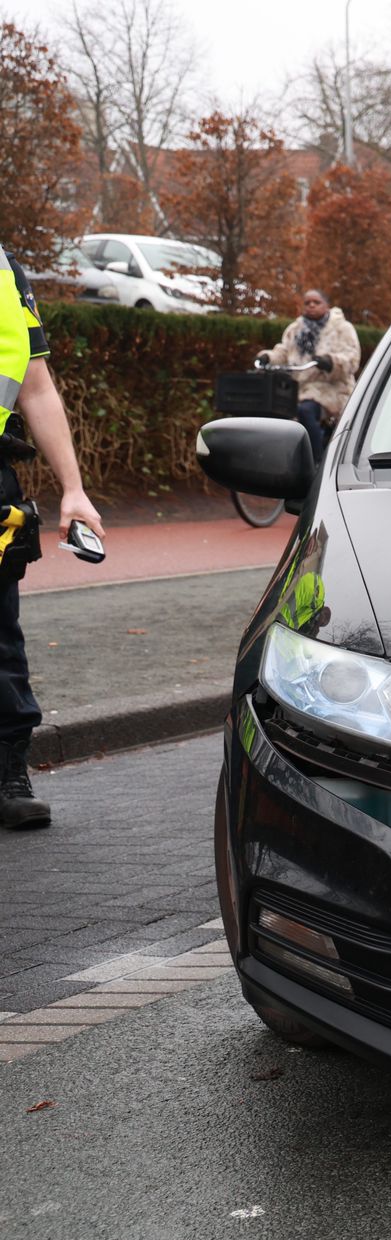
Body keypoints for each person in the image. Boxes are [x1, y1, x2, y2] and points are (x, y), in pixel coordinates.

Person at [0, 240, 105, 830]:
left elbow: (35, 386)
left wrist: (74, 488)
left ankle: (7, 773)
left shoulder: (4, 270)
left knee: (0, 639)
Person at [257, 289, 361, 461]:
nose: (311, 305)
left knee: (305, 411)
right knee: (275, 410)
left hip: (332, 388)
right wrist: (268, 357)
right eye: (307, 303)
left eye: (316, 302)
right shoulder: (295, 329)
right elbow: (284, 351)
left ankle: (317, 461)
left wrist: (331, 361)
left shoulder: (342, 328)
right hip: (299, 388)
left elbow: (352, 357)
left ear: (326, 305)